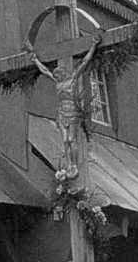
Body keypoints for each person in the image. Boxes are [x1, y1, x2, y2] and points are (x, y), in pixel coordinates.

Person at [26, 33, 101, 178]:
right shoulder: (58, 83)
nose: (57, 75)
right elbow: (45, 71)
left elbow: (85, 62)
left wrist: (93, 46)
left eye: (59, 74)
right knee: (65, 141)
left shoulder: (72, 79)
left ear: (63, 73)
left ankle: (74, 165)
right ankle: (68, 164)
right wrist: (35, 60)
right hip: (61, 113)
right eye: (57, 75)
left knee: (71, 139)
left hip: (72, 111)